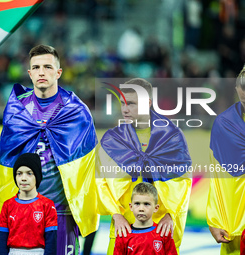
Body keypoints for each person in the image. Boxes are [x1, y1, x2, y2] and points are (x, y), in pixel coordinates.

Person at [0, 45, 98, 255]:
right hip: (23, 211)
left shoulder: (76, 112)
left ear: (58, 72)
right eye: (36, 67)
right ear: (30, 73)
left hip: (61, 214)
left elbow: (88, 169)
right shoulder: (17, 110)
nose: (42, 72)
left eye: (48, 67)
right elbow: (7, 160)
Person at [96, 78, 192, 254]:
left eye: (131, 103)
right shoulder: (112, 140)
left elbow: (183, 180)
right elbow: (100, 181)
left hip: (161, 229)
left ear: (147, 103)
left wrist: (171, 215)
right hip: (123, 228)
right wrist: (116, 216)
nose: (125, 109)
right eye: (123, 103)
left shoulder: (172, 136)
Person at [207, 65, 245, 254]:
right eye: (242, 86)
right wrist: (215, 219)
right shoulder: (224, 124)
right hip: (235, 224)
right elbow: (217, 177)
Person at [0, 153, 57, 255]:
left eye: (29, 173)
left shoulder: (47, 205)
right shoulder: (7, 205)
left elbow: (51, 242)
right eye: (19, 173)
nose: (23, 178)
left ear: (37, 176)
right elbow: (1, 241)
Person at [113, 182, 177, 255]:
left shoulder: (163, 233)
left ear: (156, 208)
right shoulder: (123, 235)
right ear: (131, 207)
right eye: (137, 203)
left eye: (146, 204)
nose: (141, 209)